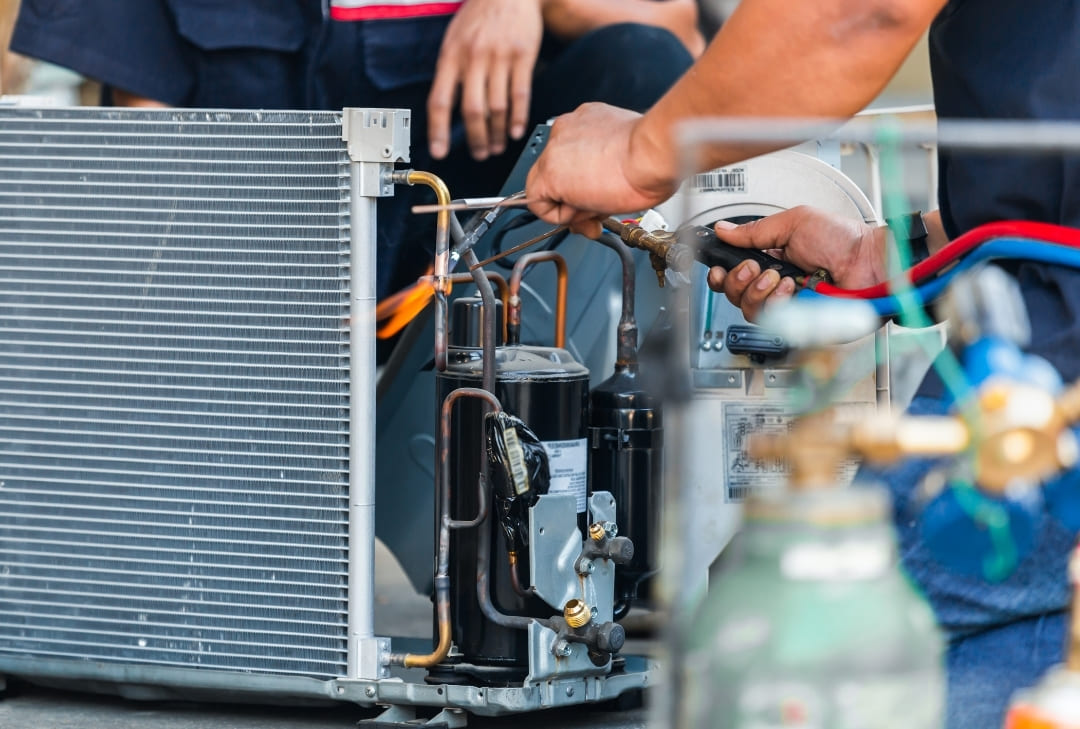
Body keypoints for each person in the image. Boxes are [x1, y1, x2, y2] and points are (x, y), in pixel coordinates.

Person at [525, 0, 1080, 727]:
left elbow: (863, 9)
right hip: (1045, 332)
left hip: (1049, 379)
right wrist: (880, 252)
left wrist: (636, 152)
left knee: (810, 646)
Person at [9, 0, 702, 299]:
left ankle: (546, 490)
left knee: (638, 65)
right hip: (253, 295)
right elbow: (145, 159)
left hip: (481, 275)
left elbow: (673, 33)